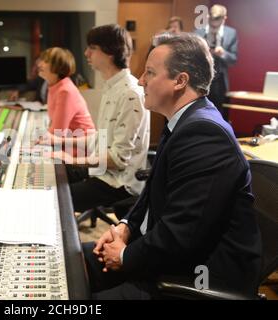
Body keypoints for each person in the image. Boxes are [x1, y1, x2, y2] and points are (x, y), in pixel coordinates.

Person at [83, 33, 261, 300]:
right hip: (171, 254)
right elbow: (152, 194)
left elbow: (181, 234)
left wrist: (123, 255)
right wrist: (125, 227)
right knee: (73, 259)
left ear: (180, 80)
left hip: (199, 275)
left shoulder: (203, 133)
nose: (141, 80)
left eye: (150, 73)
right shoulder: (183, 121)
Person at [44, 24, 150, 216]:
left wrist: (74, 159)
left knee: (53, 199)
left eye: (92, 48)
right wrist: (60, 141)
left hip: (119, 182)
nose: (86, 53)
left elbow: (118, 160)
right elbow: (99, 139)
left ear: (110, 52)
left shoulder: (130, 93)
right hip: (102, 171)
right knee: (47, 172)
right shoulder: (112, 87)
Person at [37, 47, 95, 135]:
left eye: (45, 61)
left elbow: (58, 133)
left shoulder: (65, 91)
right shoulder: (54, 85)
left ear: (58, 66)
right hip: (68, 143)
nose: (39, 64)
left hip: (81, 146)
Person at [195, 4, 238, 120]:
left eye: (217, 22)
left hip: (219, 82)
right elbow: (191, 56)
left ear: (224, 19)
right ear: (208, 17)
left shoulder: (231, 33)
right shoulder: (198, 32)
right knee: (199, 112)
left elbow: (233, 60)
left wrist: (223, 53)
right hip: (200, 80)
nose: (214, 25)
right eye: (211, 21)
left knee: (218, 114)